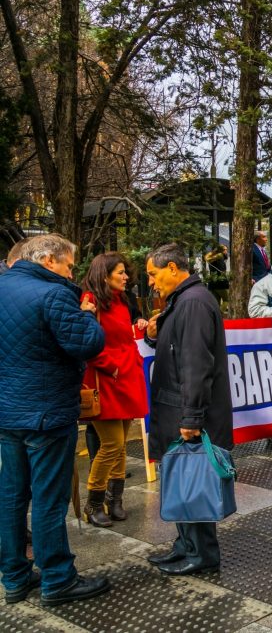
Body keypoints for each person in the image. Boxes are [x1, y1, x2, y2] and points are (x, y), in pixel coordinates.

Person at [0, 234, 110, 604]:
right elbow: (88, 344)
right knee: (49, 498)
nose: (69, 272)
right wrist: (88, 315)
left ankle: (14, 577)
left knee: (12, 496)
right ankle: (58, 579)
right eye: (67, 265)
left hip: (8, 412)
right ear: (48, 259)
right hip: (46, 413)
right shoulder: (55, 293)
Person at [143, 244, 233, 575]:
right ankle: (186, 545)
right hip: (176, 407)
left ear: (172, 268)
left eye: (153, 274)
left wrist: (192, 417)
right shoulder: (183, 299)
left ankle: (202, 553)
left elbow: (196, 363)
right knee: (181, 480)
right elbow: (177, 347)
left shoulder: (193, 302)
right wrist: (155, 336)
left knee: (194, 482)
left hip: (188, 411)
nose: (151, 282)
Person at [79, 253, 149, 528]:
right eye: (120, 272)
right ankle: (93, 502)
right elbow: (88, 343)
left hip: (126, 377)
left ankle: (114, 500)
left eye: (124, 272)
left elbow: (124, 336)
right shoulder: (90, 301)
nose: (125, 277)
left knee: (120, 447)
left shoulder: (122, 300)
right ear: (104, 274)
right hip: (105, 379)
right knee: (111, 445)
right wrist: (112, 366)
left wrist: (133, 361)